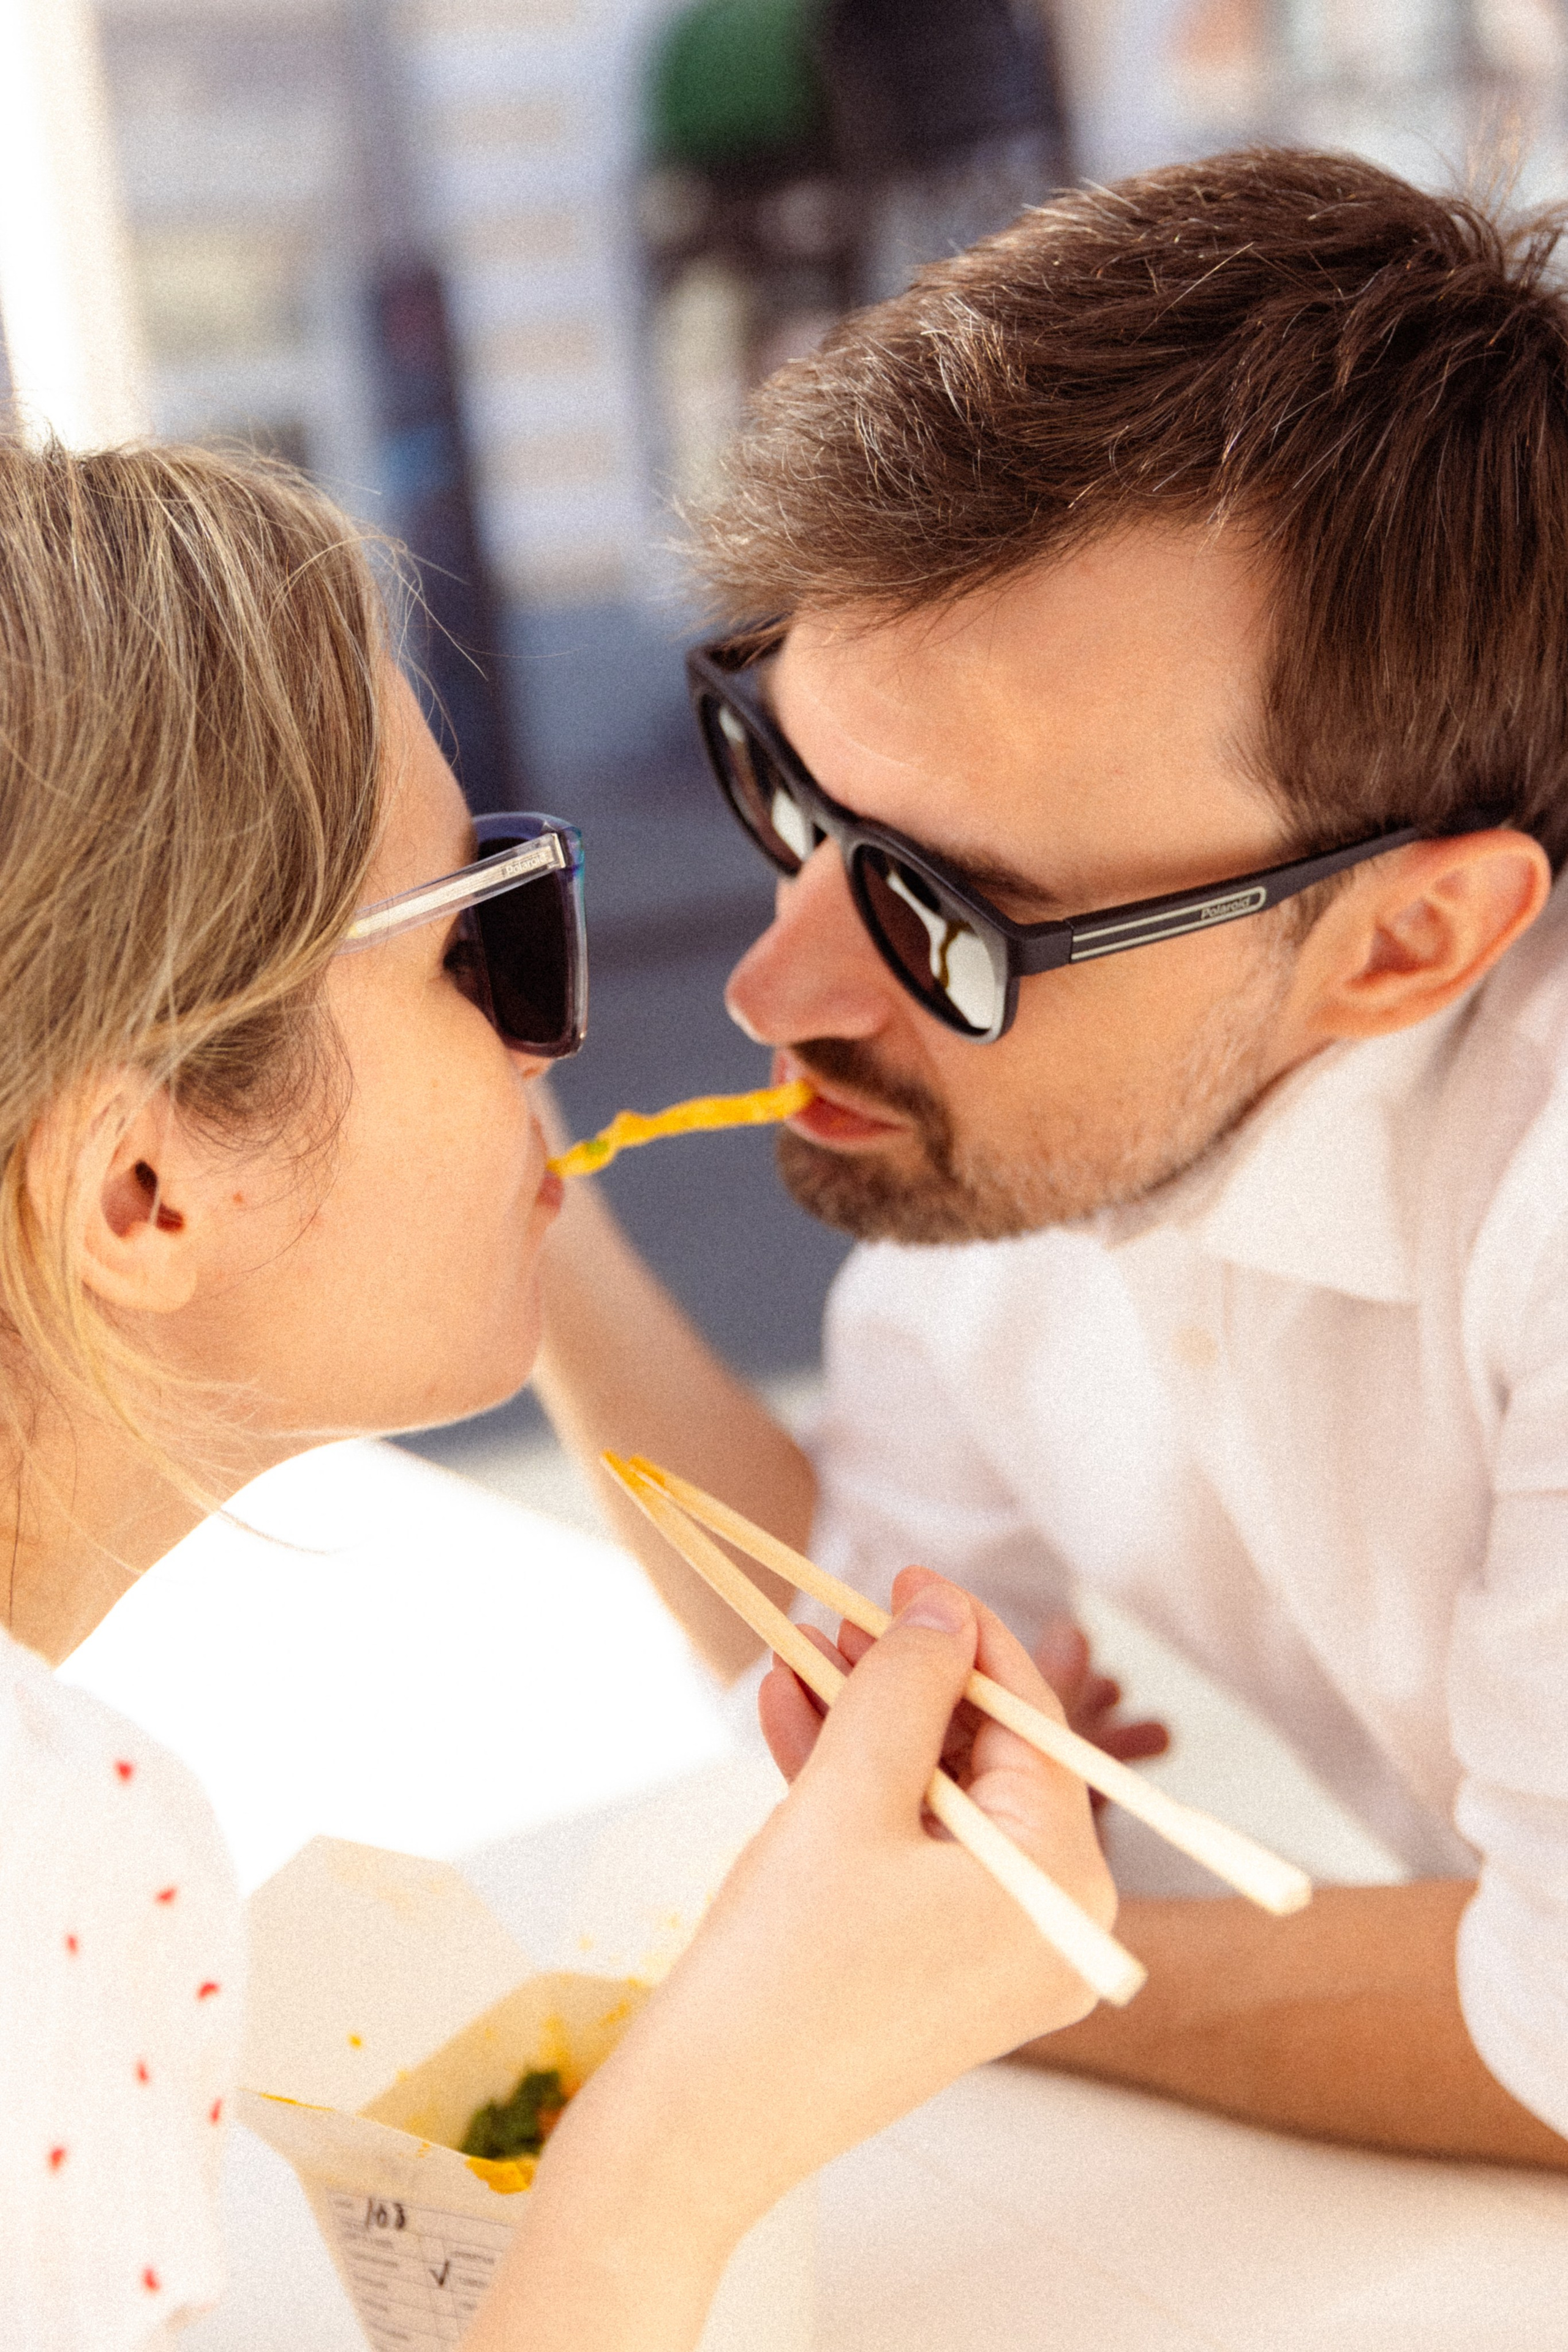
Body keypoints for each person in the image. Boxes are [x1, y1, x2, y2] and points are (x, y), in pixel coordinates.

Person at [0, 437, 1113, 2350]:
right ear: (143, 1189)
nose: (554, 1036)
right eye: (479, 941)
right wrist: (695, 2133)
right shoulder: (52, 1869)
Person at [530, 146, 1568, 2169]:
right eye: (791, 794)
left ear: (1407, 940)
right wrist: (512, 1183)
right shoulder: (1021, 1143)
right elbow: (838, 1634)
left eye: (945, 906)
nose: (774, 983)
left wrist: (1005, 1974)